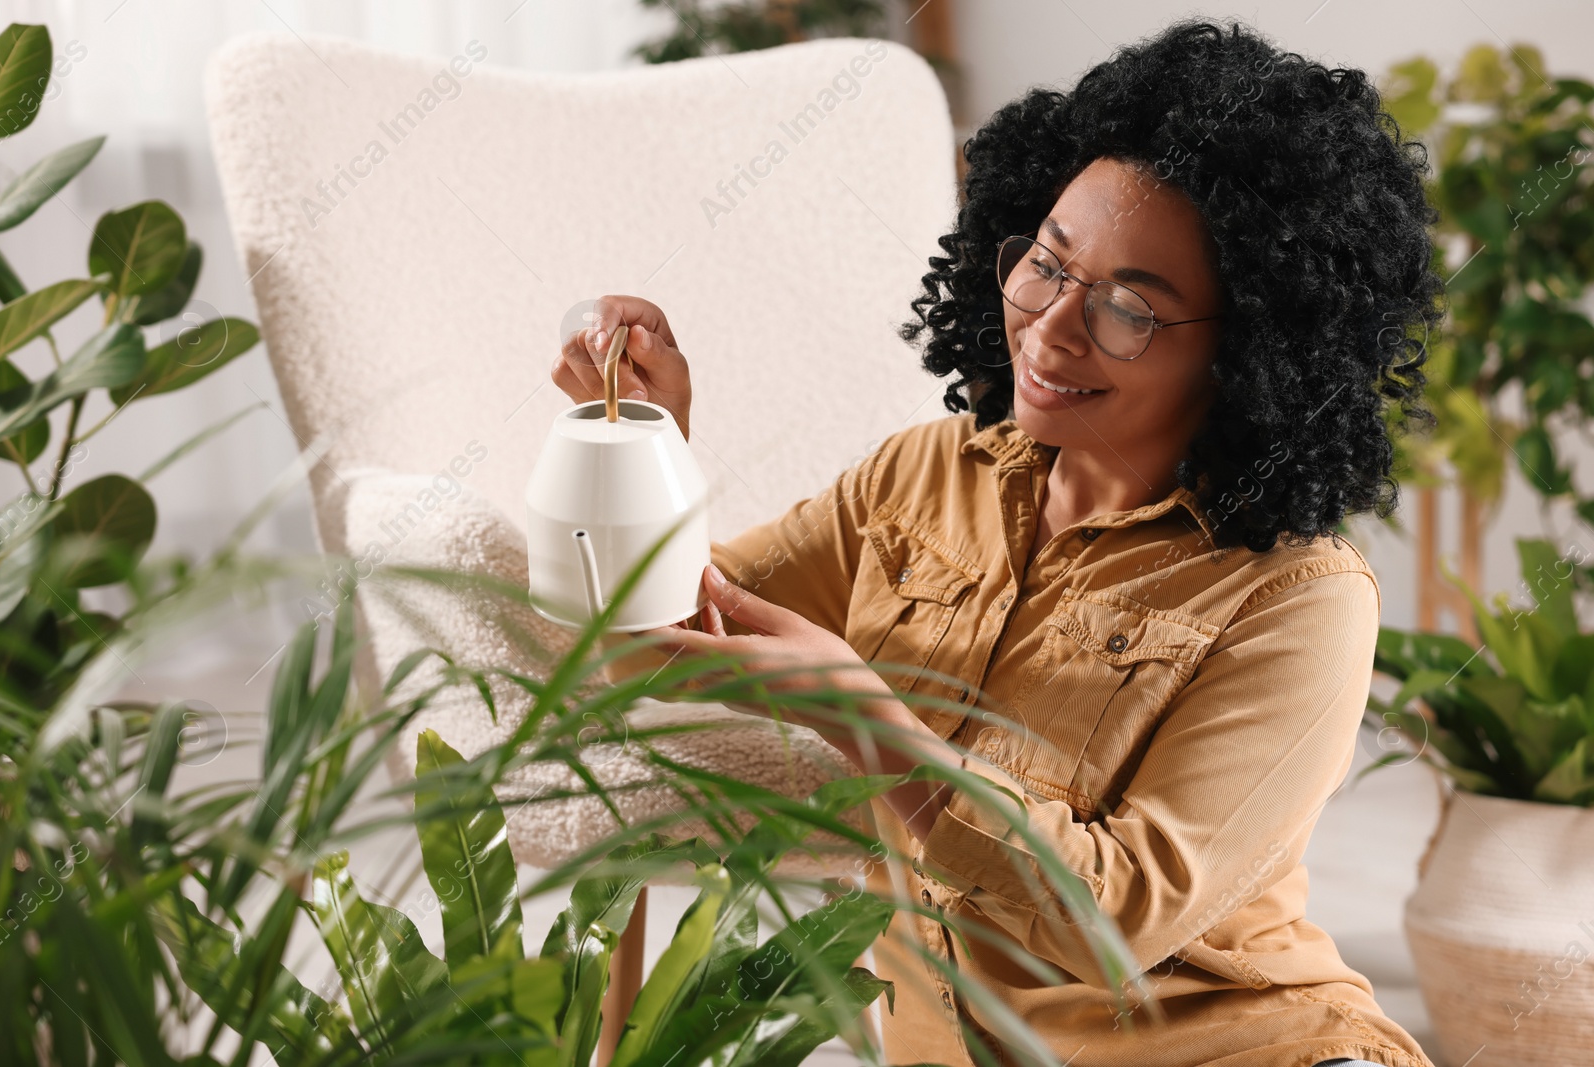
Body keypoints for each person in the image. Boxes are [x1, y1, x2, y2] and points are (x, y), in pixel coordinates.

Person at [550, 18, 1439, 1067]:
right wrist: (647, 436)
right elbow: (640, 647)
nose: (1052, 329)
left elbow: (1114, 919)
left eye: (1127, 310)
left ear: (1249, 347)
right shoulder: (920, 476)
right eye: (1046, 266)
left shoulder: (1299, 597)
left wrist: (867, 720)